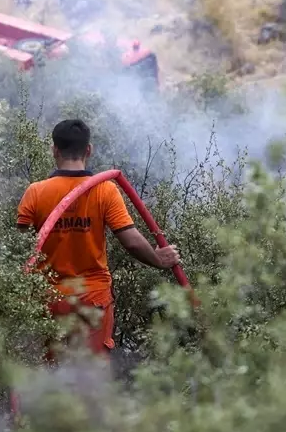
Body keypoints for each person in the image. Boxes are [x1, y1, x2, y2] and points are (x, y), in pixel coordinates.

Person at [17, 119, 181, 357]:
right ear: (88, 150)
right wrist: (158, 259)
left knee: (53, 375)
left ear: (54, 150)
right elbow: (132, 241)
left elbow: (21, 247)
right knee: (91, 377)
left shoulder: (35, 192)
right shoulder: (104, 190)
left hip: (50, 299)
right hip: (92, 299)